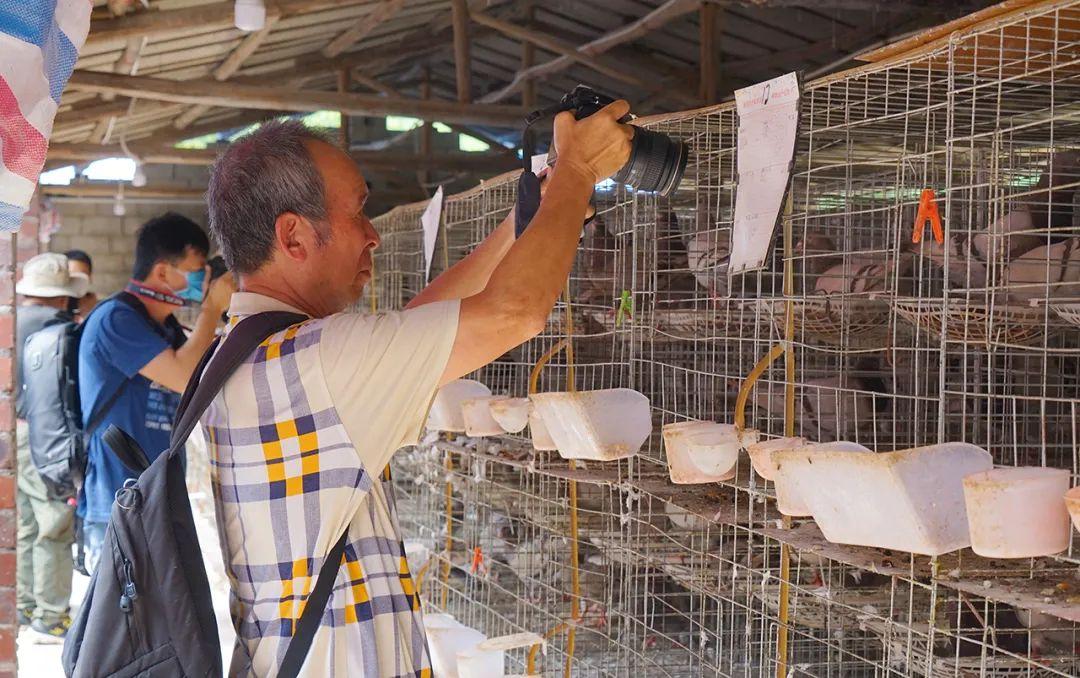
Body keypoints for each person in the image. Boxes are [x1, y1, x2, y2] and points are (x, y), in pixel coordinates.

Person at [203, 108, 631, 675]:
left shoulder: (251, 352)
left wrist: (528, 221)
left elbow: (414, 329)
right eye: (358, 211)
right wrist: (576, 172)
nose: (374, 234)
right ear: (294, 235)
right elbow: (514, 314)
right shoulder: (317, 363)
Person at [76, 213, 235, 572]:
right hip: (120, 499)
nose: (204, 279)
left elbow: (206, 373)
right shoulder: (116, 319)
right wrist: (211, 308)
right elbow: (184, 377)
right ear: (163, 273)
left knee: (158, 622)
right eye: (196, 270)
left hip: (157, 496)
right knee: (118, 624)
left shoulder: (164, 329)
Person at [14, 253, 89, 638]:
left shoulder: (8, 320)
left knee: (25, 523)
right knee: (55, 523)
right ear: (63, 297)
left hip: (13, 432)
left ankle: (24, 604)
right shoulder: (62, 331)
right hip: (45, 435)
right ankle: (52, 612)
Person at [64, 249, 98, 318]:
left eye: (81, 276)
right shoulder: (55, 305)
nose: (77, 281)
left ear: (90, 277)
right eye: (71, 276)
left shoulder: (97, 308)